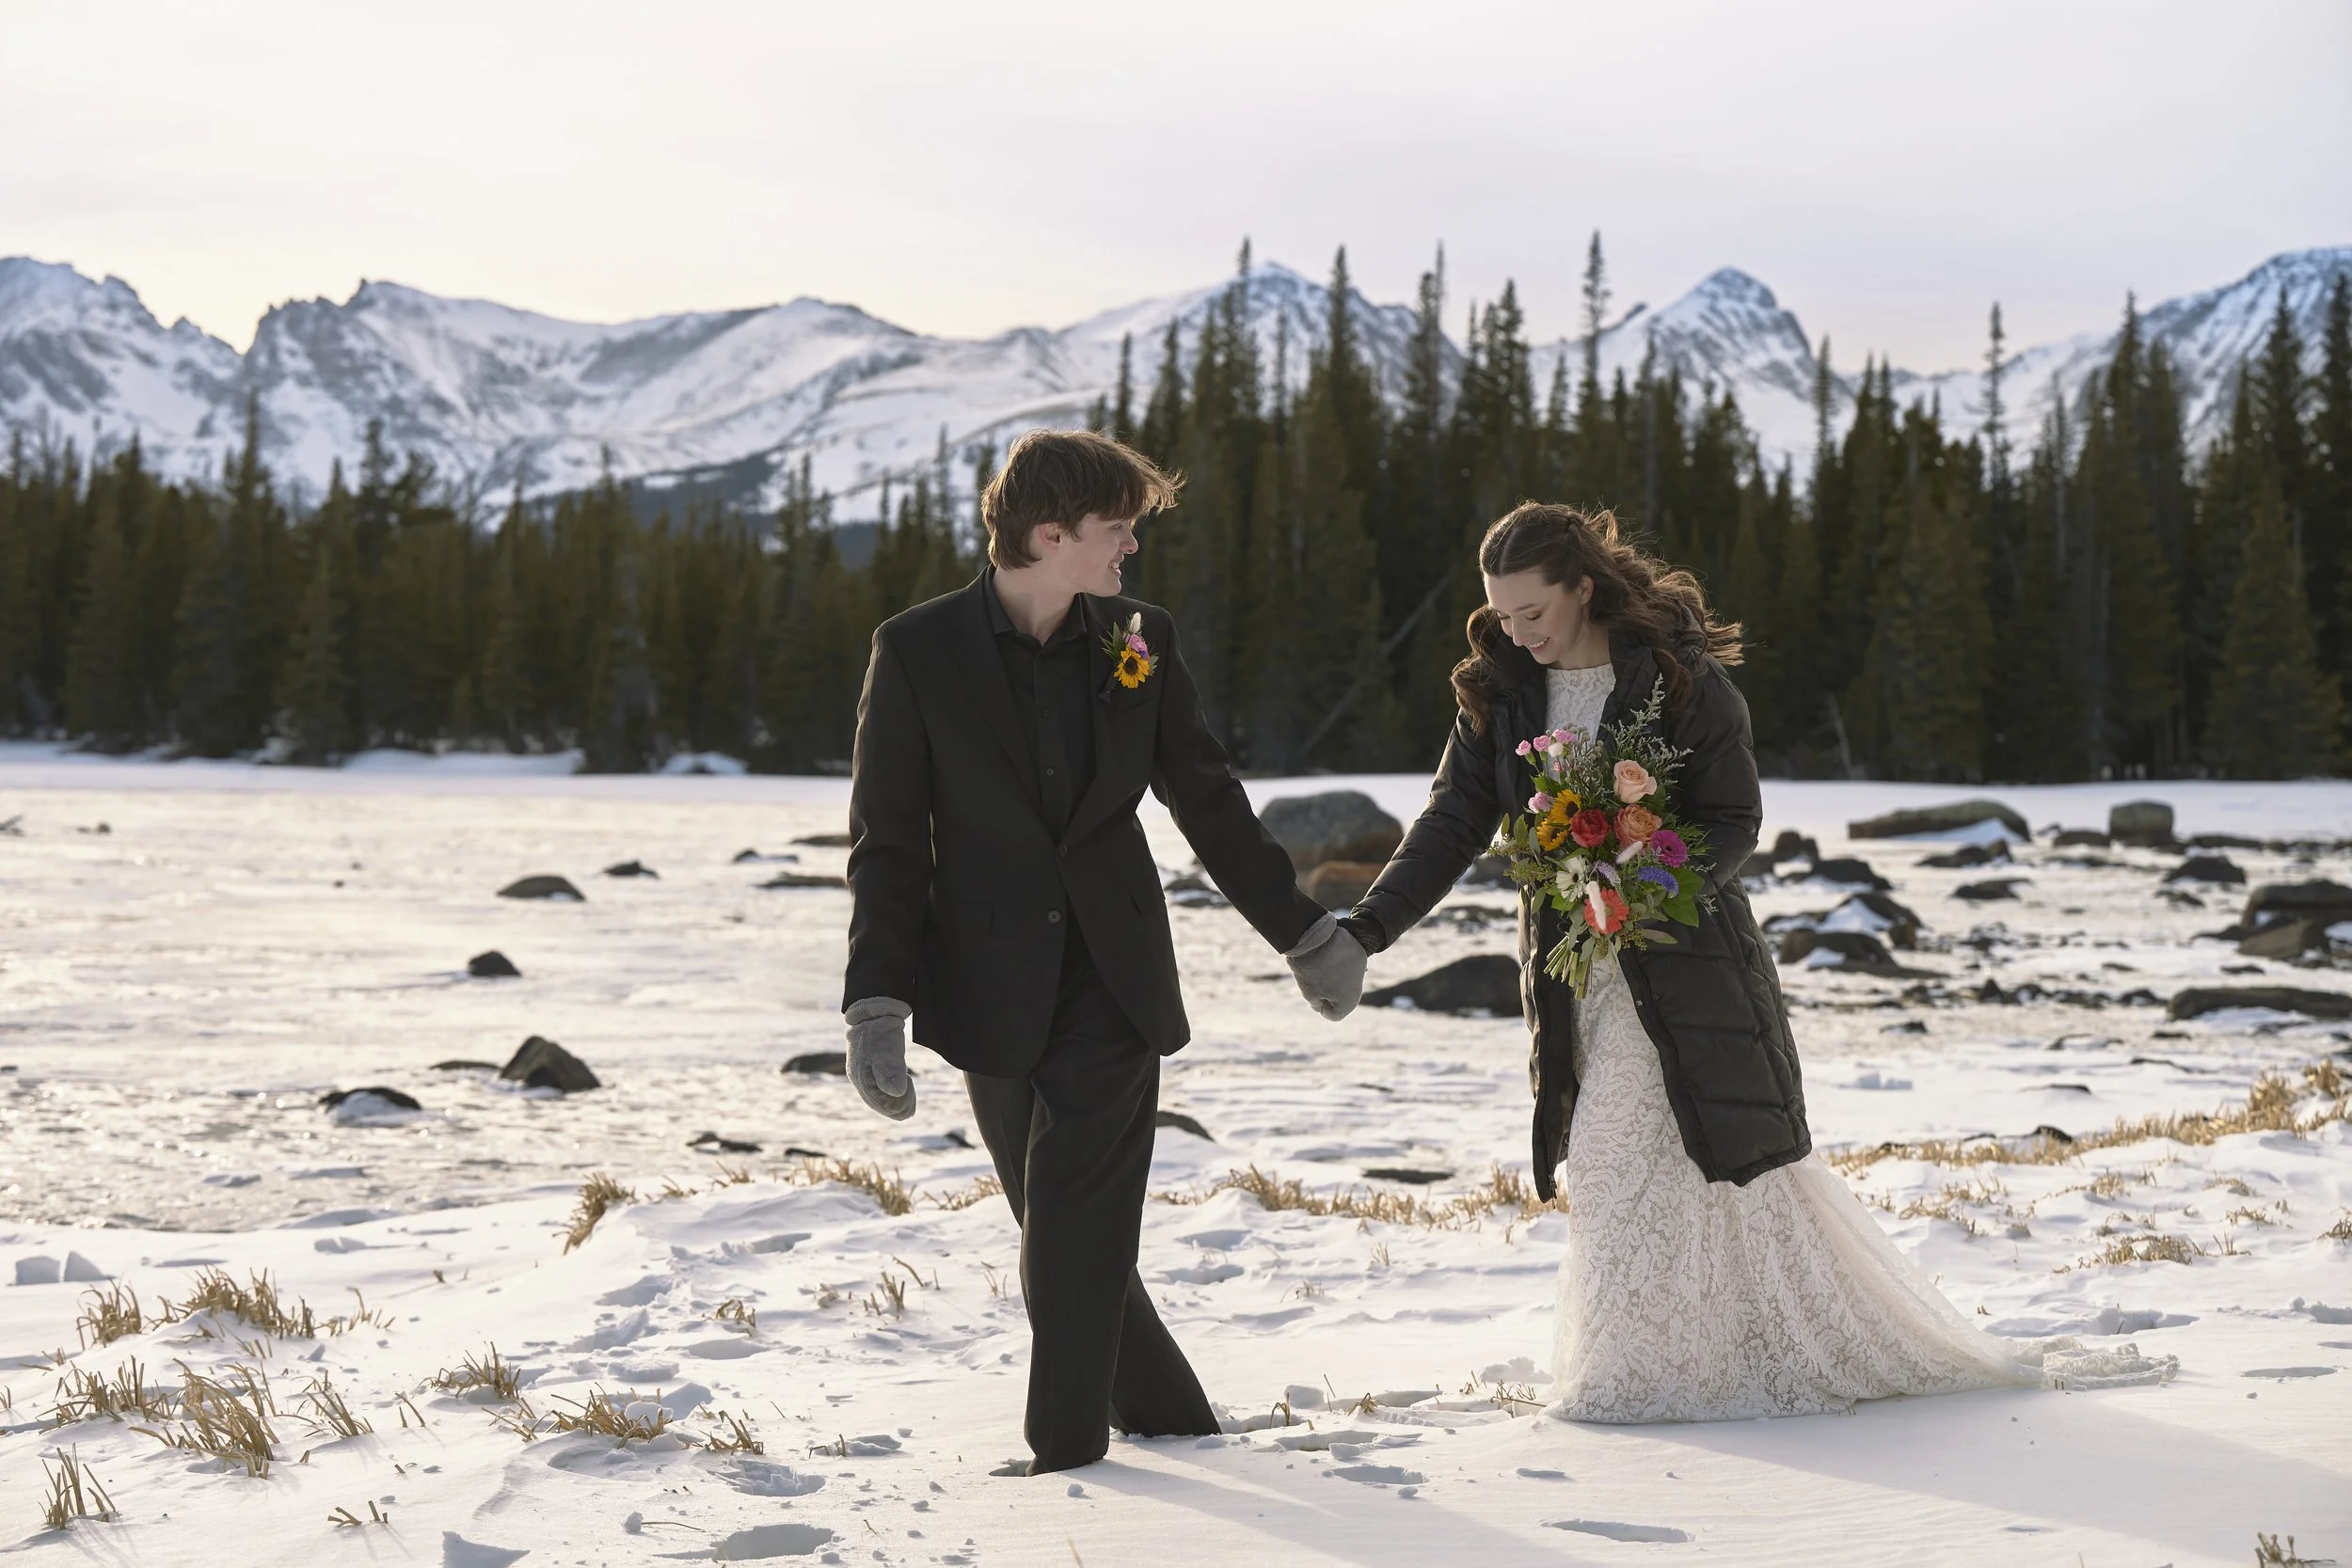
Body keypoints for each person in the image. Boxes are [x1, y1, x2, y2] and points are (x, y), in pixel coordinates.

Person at [1341, 501, 2035, 1421]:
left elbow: (1733, 820)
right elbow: (1451, 820)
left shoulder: (1677, 677)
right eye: (1503, 616)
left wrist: (1650, 878)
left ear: (1582, 587)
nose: (1519, 633)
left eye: (1535, 614)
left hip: (1684, 959)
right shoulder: (1502, 691)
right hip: (1574, 972)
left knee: (1619, 1150)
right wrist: (1367, 928)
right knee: (1682, 1169)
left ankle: (1635, 1384)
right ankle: (1705, 1352)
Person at [839, 428, 1369, 1472]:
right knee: (1057, 1223)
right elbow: (888, 841)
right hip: (986, 982)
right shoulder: (915, 649)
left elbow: (1206, 799)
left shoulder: (1142, 638)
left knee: (1074, 1216)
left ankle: (1067, 1456)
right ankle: (1172, 1419)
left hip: (1115, 975)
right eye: (1116, 530)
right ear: (1048, 534)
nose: (1131, 549)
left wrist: (1304, 930)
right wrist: (876, 1003)